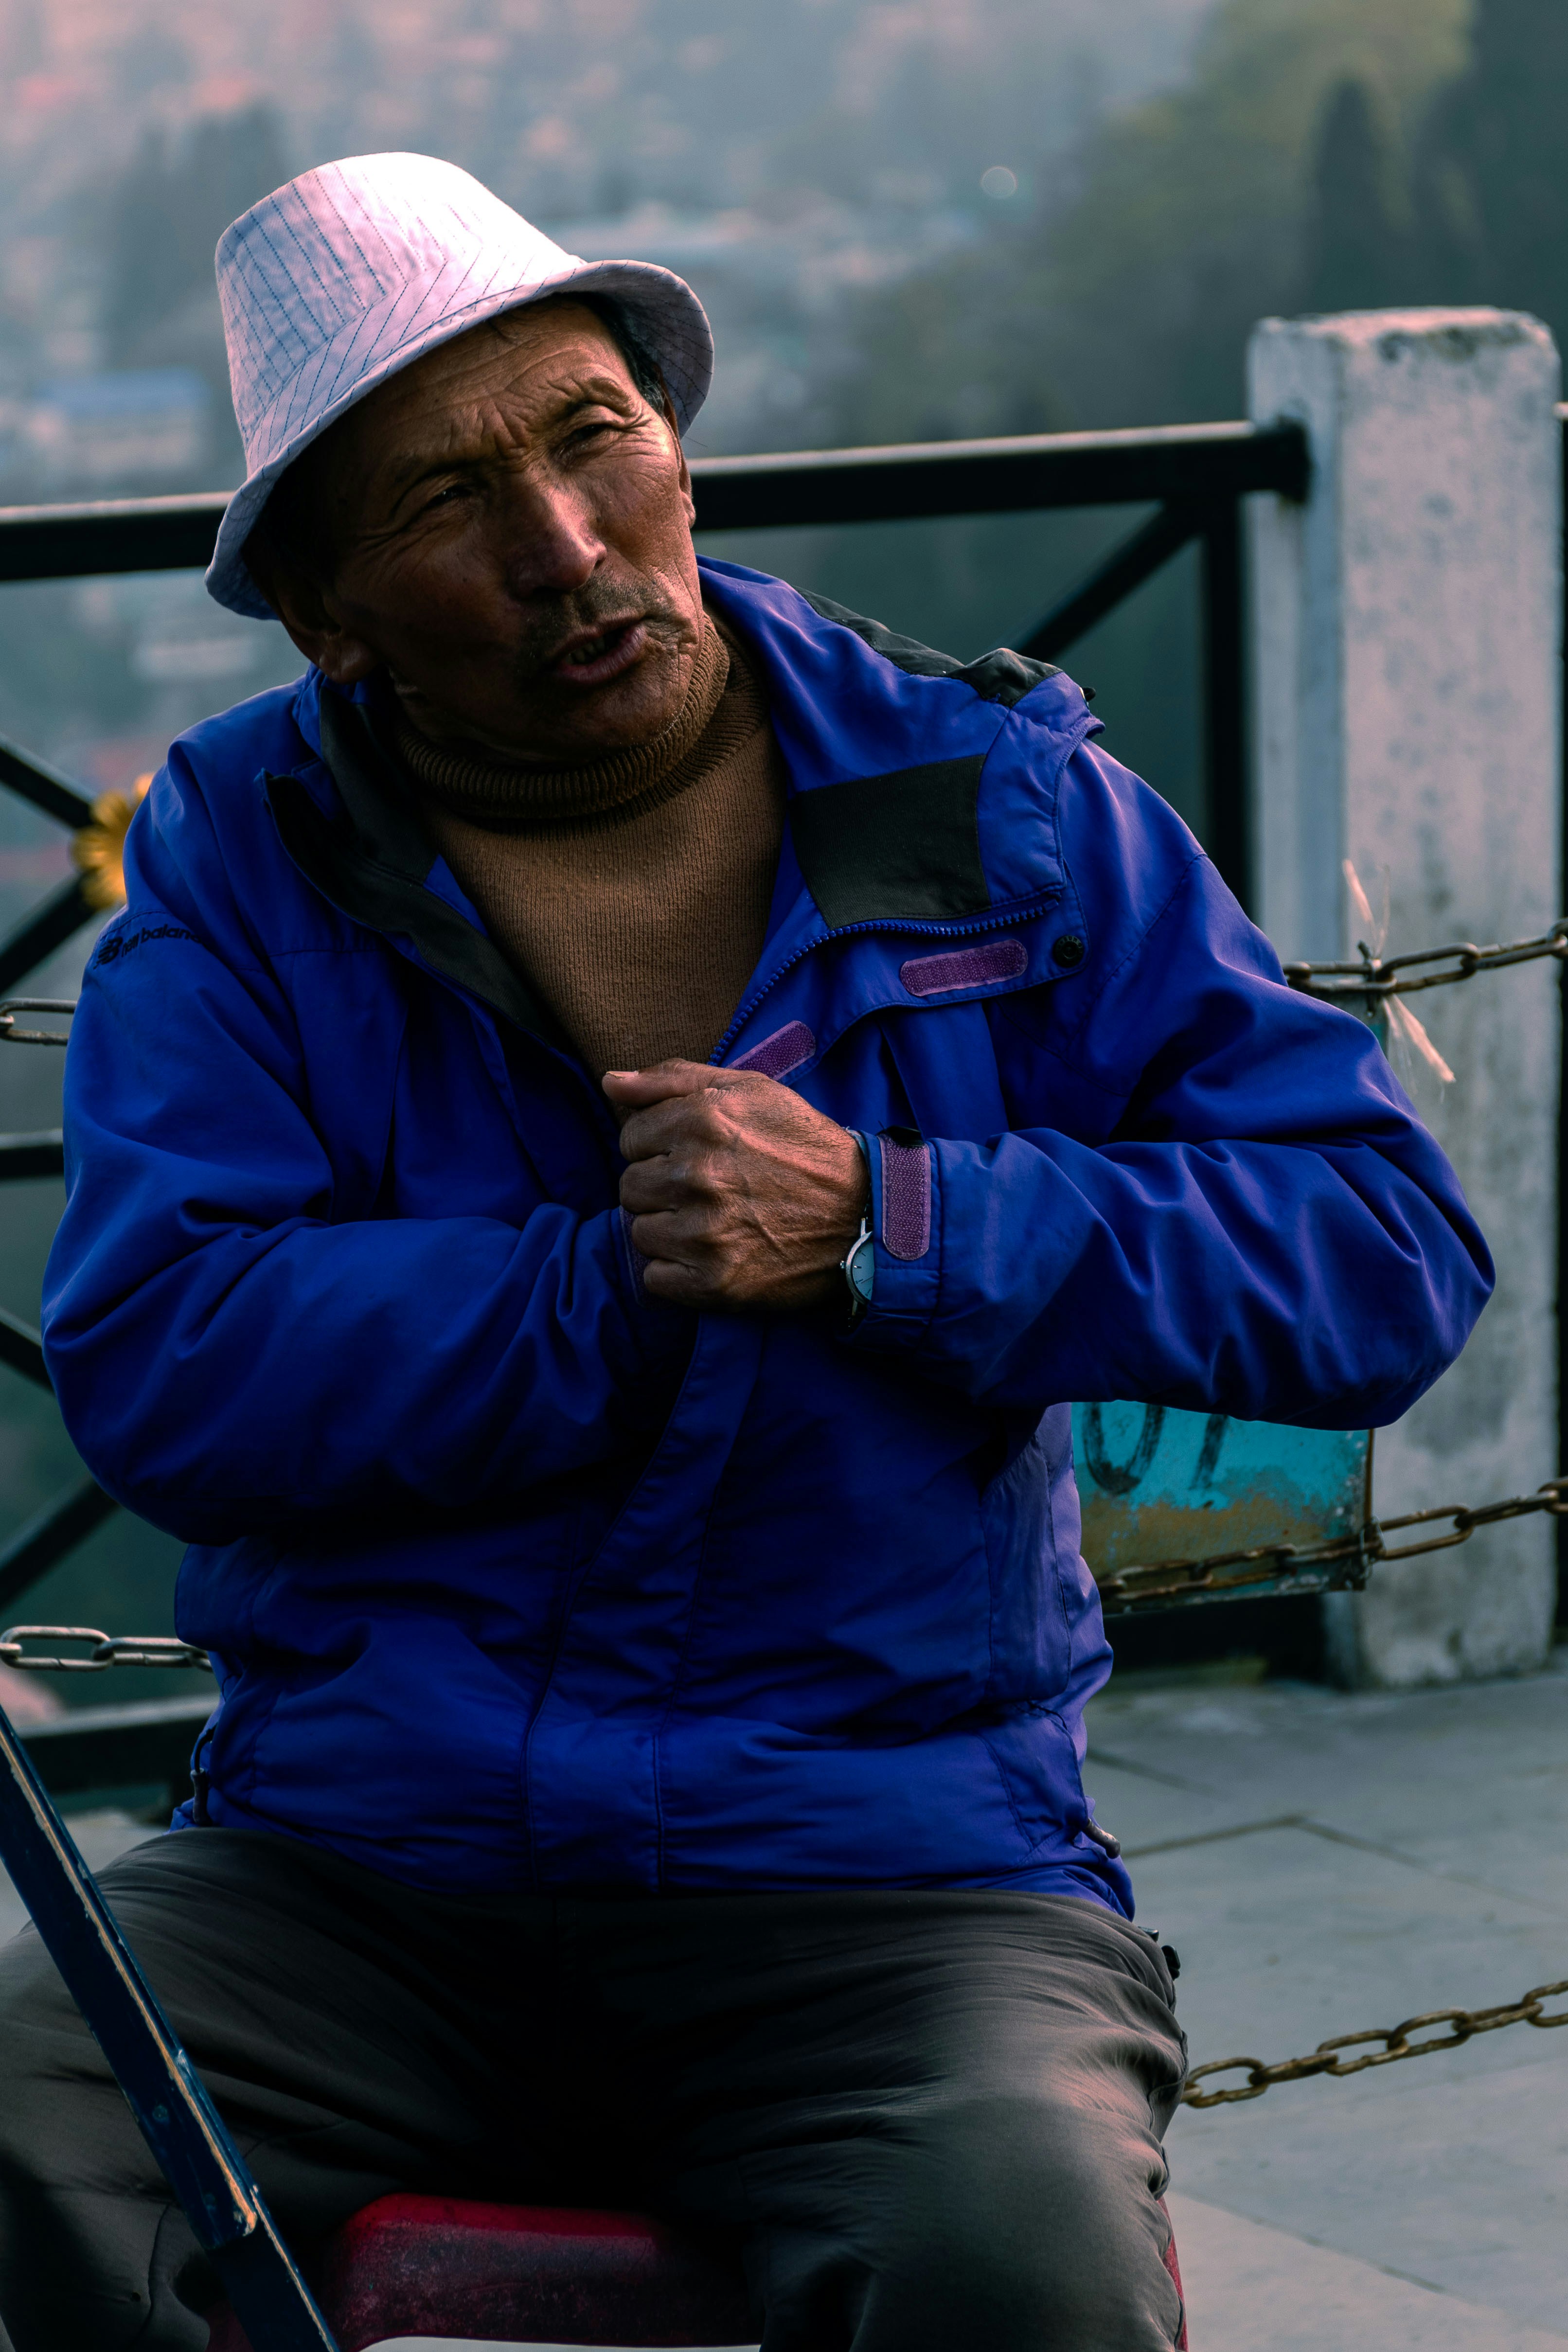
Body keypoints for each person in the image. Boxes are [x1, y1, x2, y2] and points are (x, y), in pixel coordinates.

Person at [0, 153, 1489, 2352]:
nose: (562, 546)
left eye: (592, 433)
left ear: (674, 438)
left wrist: (892, 1228)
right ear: (326, 616)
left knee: (1013, 2262)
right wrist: (598, 1287)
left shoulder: (995, 805)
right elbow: (162, 1359)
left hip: (892, 1878)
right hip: (360, 1872)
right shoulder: (245, 873)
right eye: (439, 503)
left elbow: (1377, 1253)